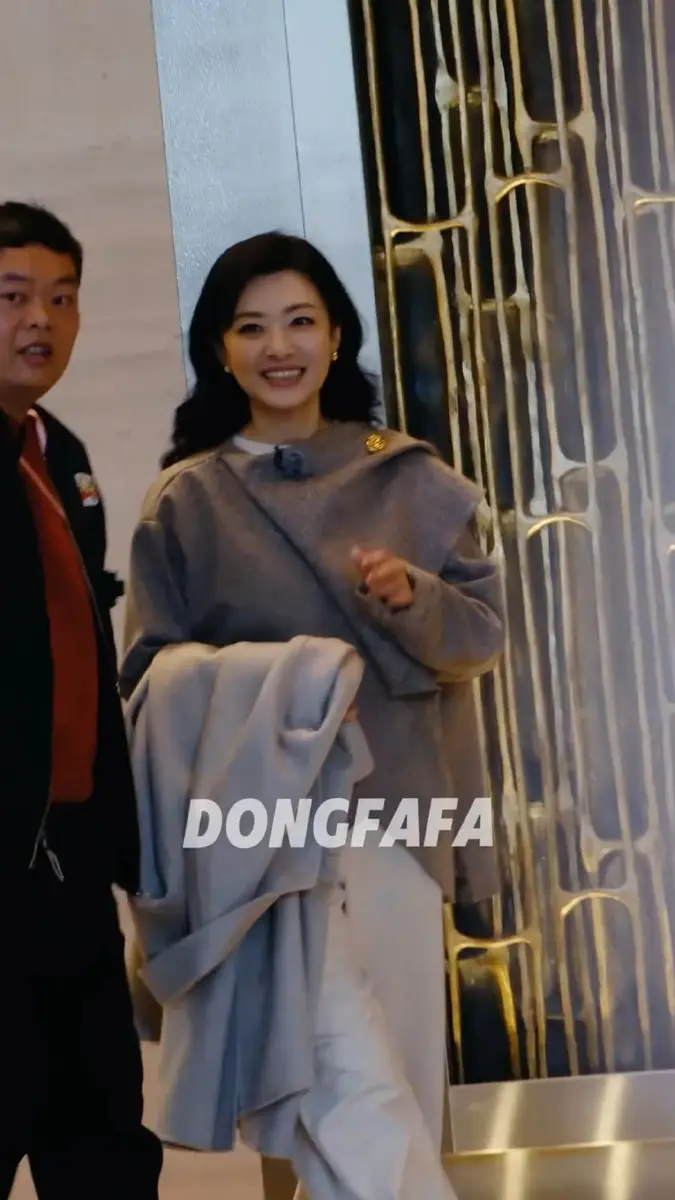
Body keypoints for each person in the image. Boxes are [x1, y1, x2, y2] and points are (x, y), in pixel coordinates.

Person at [120, 231, 505, 1197]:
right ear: (219, 349)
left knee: (396, 1075)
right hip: (260, 827)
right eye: (251, 327)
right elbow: (148, 681)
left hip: (395, 811)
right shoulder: (188, 499)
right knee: (296, 1084)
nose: (278, 347)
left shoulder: (408, 475)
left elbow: (477, 642)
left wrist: (411, 596)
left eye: (299, 321)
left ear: (337, 336)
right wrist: (280, 680)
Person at [0, 201, 163, 1198]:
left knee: (102, 1144)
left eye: (62, 299)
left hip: (69, 867)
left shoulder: (59, 452)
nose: (41, 322)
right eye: (12, 296)